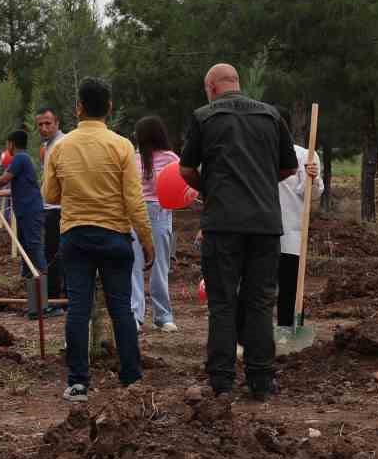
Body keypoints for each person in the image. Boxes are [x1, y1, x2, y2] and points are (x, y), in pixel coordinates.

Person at [179, 63, 299, 401]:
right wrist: (260, 184)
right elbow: (289, 166)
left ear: (211, 87)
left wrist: (211, 189)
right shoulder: (271, 116)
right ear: (237, 83)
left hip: (222, 225)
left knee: (222, 303)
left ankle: (222, 382)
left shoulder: (204, 117)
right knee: (260, 302)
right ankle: (261, 380)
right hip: (264, 224)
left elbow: (186, 169)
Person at [42, 77, 153, 404]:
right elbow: (134, 200)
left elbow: (49, 194)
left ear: (78, 108)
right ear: (109, 108)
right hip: (114, 237)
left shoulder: (60, 147)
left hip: (75, 237)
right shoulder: (121, 146)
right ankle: (131, 377)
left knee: (78, 307)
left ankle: (78, 382)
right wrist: (147, 239)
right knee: (121, 307)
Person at [0, 129, 48, 318]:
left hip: (30, 213)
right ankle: (32, 304)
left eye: (7, 144)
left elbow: (6, 178)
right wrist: (0, 193)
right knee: (26, 253)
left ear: (11, 144)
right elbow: (20, 187)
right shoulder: (22, 161)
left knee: (34, 252)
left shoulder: (20, 158)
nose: (7, 147)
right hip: (24, 213)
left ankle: (42, 304)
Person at [129, 115, 178, 333]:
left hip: (145, 213)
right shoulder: (167, 158)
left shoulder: (166, 158)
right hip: (154, 213)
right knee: (150, 266)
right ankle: (156, 316)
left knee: (144, 266)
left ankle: (144, 316)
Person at [276, 111, 324, 333]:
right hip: (258, 232)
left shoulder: (305, 156)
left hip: (290, 231)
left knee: (290, 289)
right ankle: (253, 338)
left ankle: (290, 333)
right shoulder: (256, 153)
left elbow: (311, 195)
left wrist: (312, 179)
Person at [35, 107, 67, 301]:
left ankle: (56, 296)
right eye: (40, 124)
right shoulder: (47, 146)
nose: (44, 128)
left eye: (48, 123)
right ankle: (56, 294)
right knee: (52, 252)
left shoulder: (62, 144)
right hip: (50, 207)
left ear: (57, 123)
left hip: (60, 208)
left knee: (55, 254)